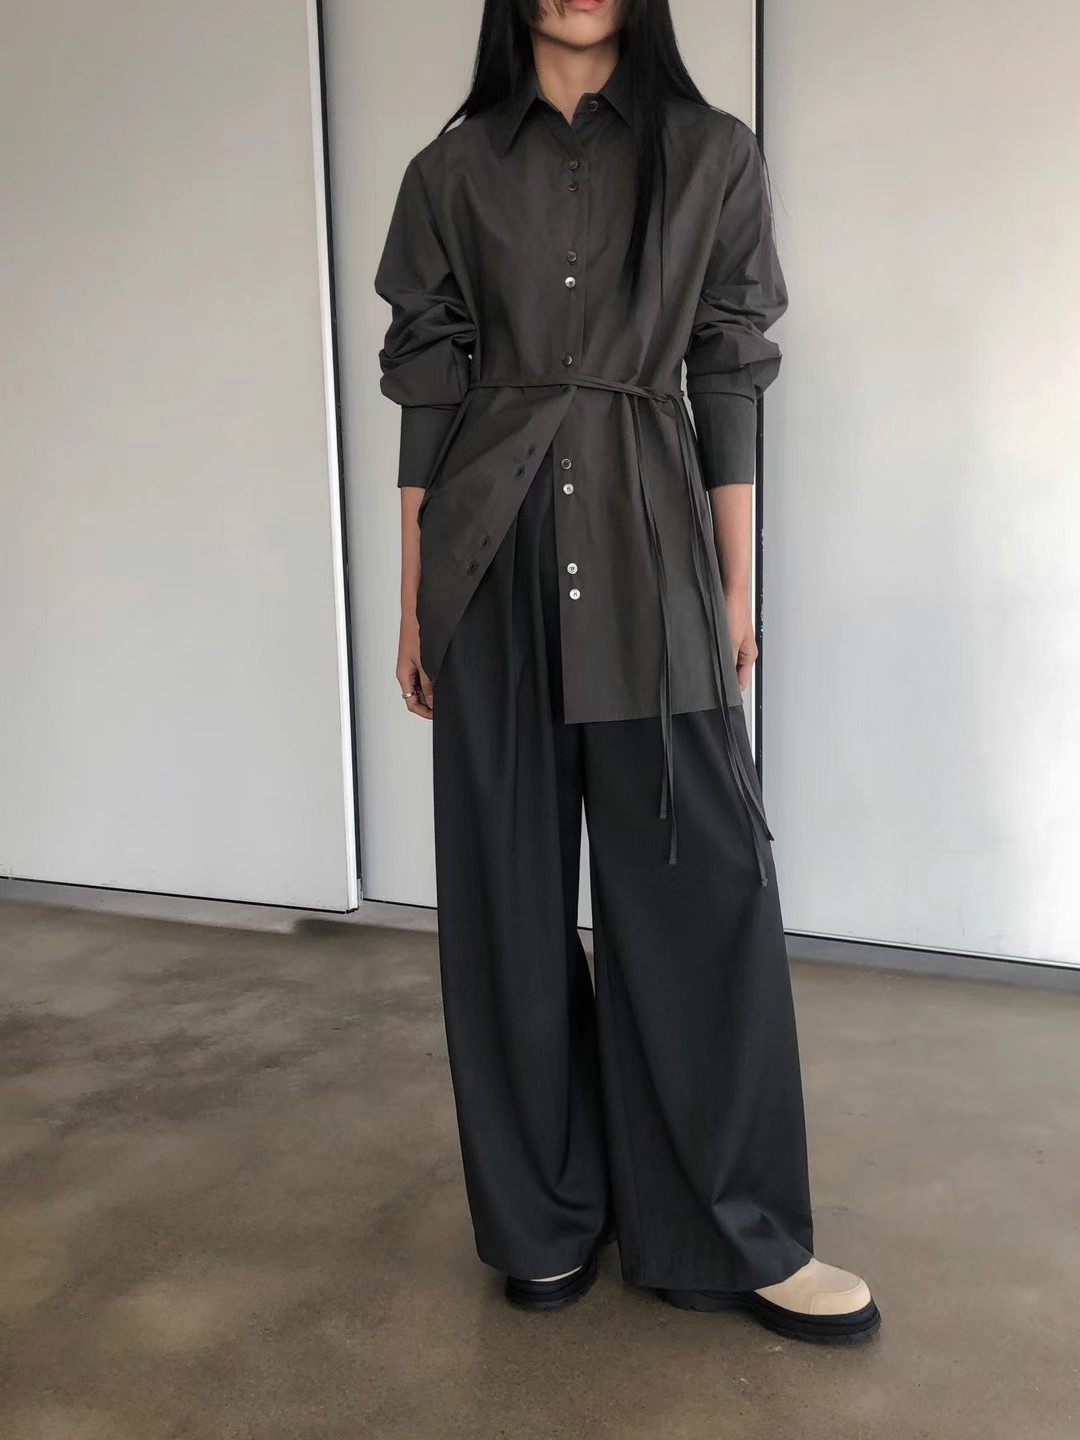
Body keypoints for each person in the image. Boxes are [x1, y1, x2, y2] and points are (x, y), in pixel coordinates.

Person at [374, 0, 880, 1345]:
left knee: (703, 893)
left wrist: (734, 586)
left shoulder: (713, 154)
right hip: (489, 561)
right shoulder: (450, 169)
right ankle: (542, 1218)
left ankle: (737, 1229)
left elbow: (729, 368)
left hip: (652, 553)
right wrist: (417, 595)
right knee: (507, 904)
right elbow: (428, 387)